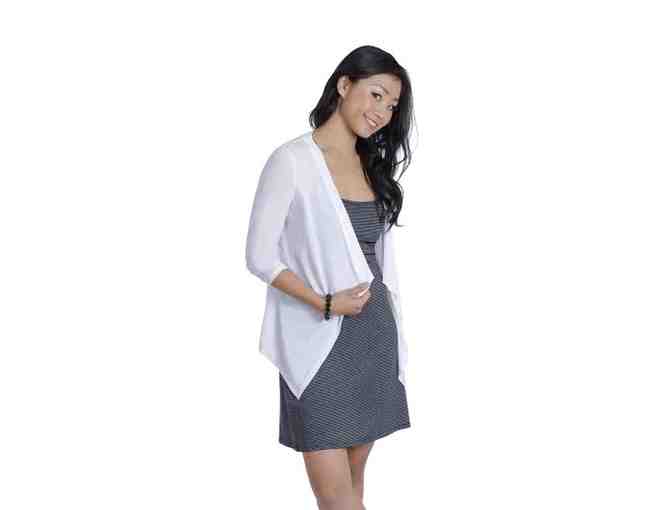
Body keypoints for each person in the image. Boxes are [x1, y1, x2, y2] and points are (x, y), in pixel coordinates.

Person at [245, 45, 416, 510]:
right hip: (317, 343)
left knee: (352, 491)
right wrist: (325, 302)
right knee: (338, 498)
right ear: (344, 85)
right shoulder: (292, 161)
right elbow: (259, 256)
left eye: (392, 105)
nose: (382, 112)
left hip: (373, 337)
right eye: (376, 95)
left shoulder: (371, 166)